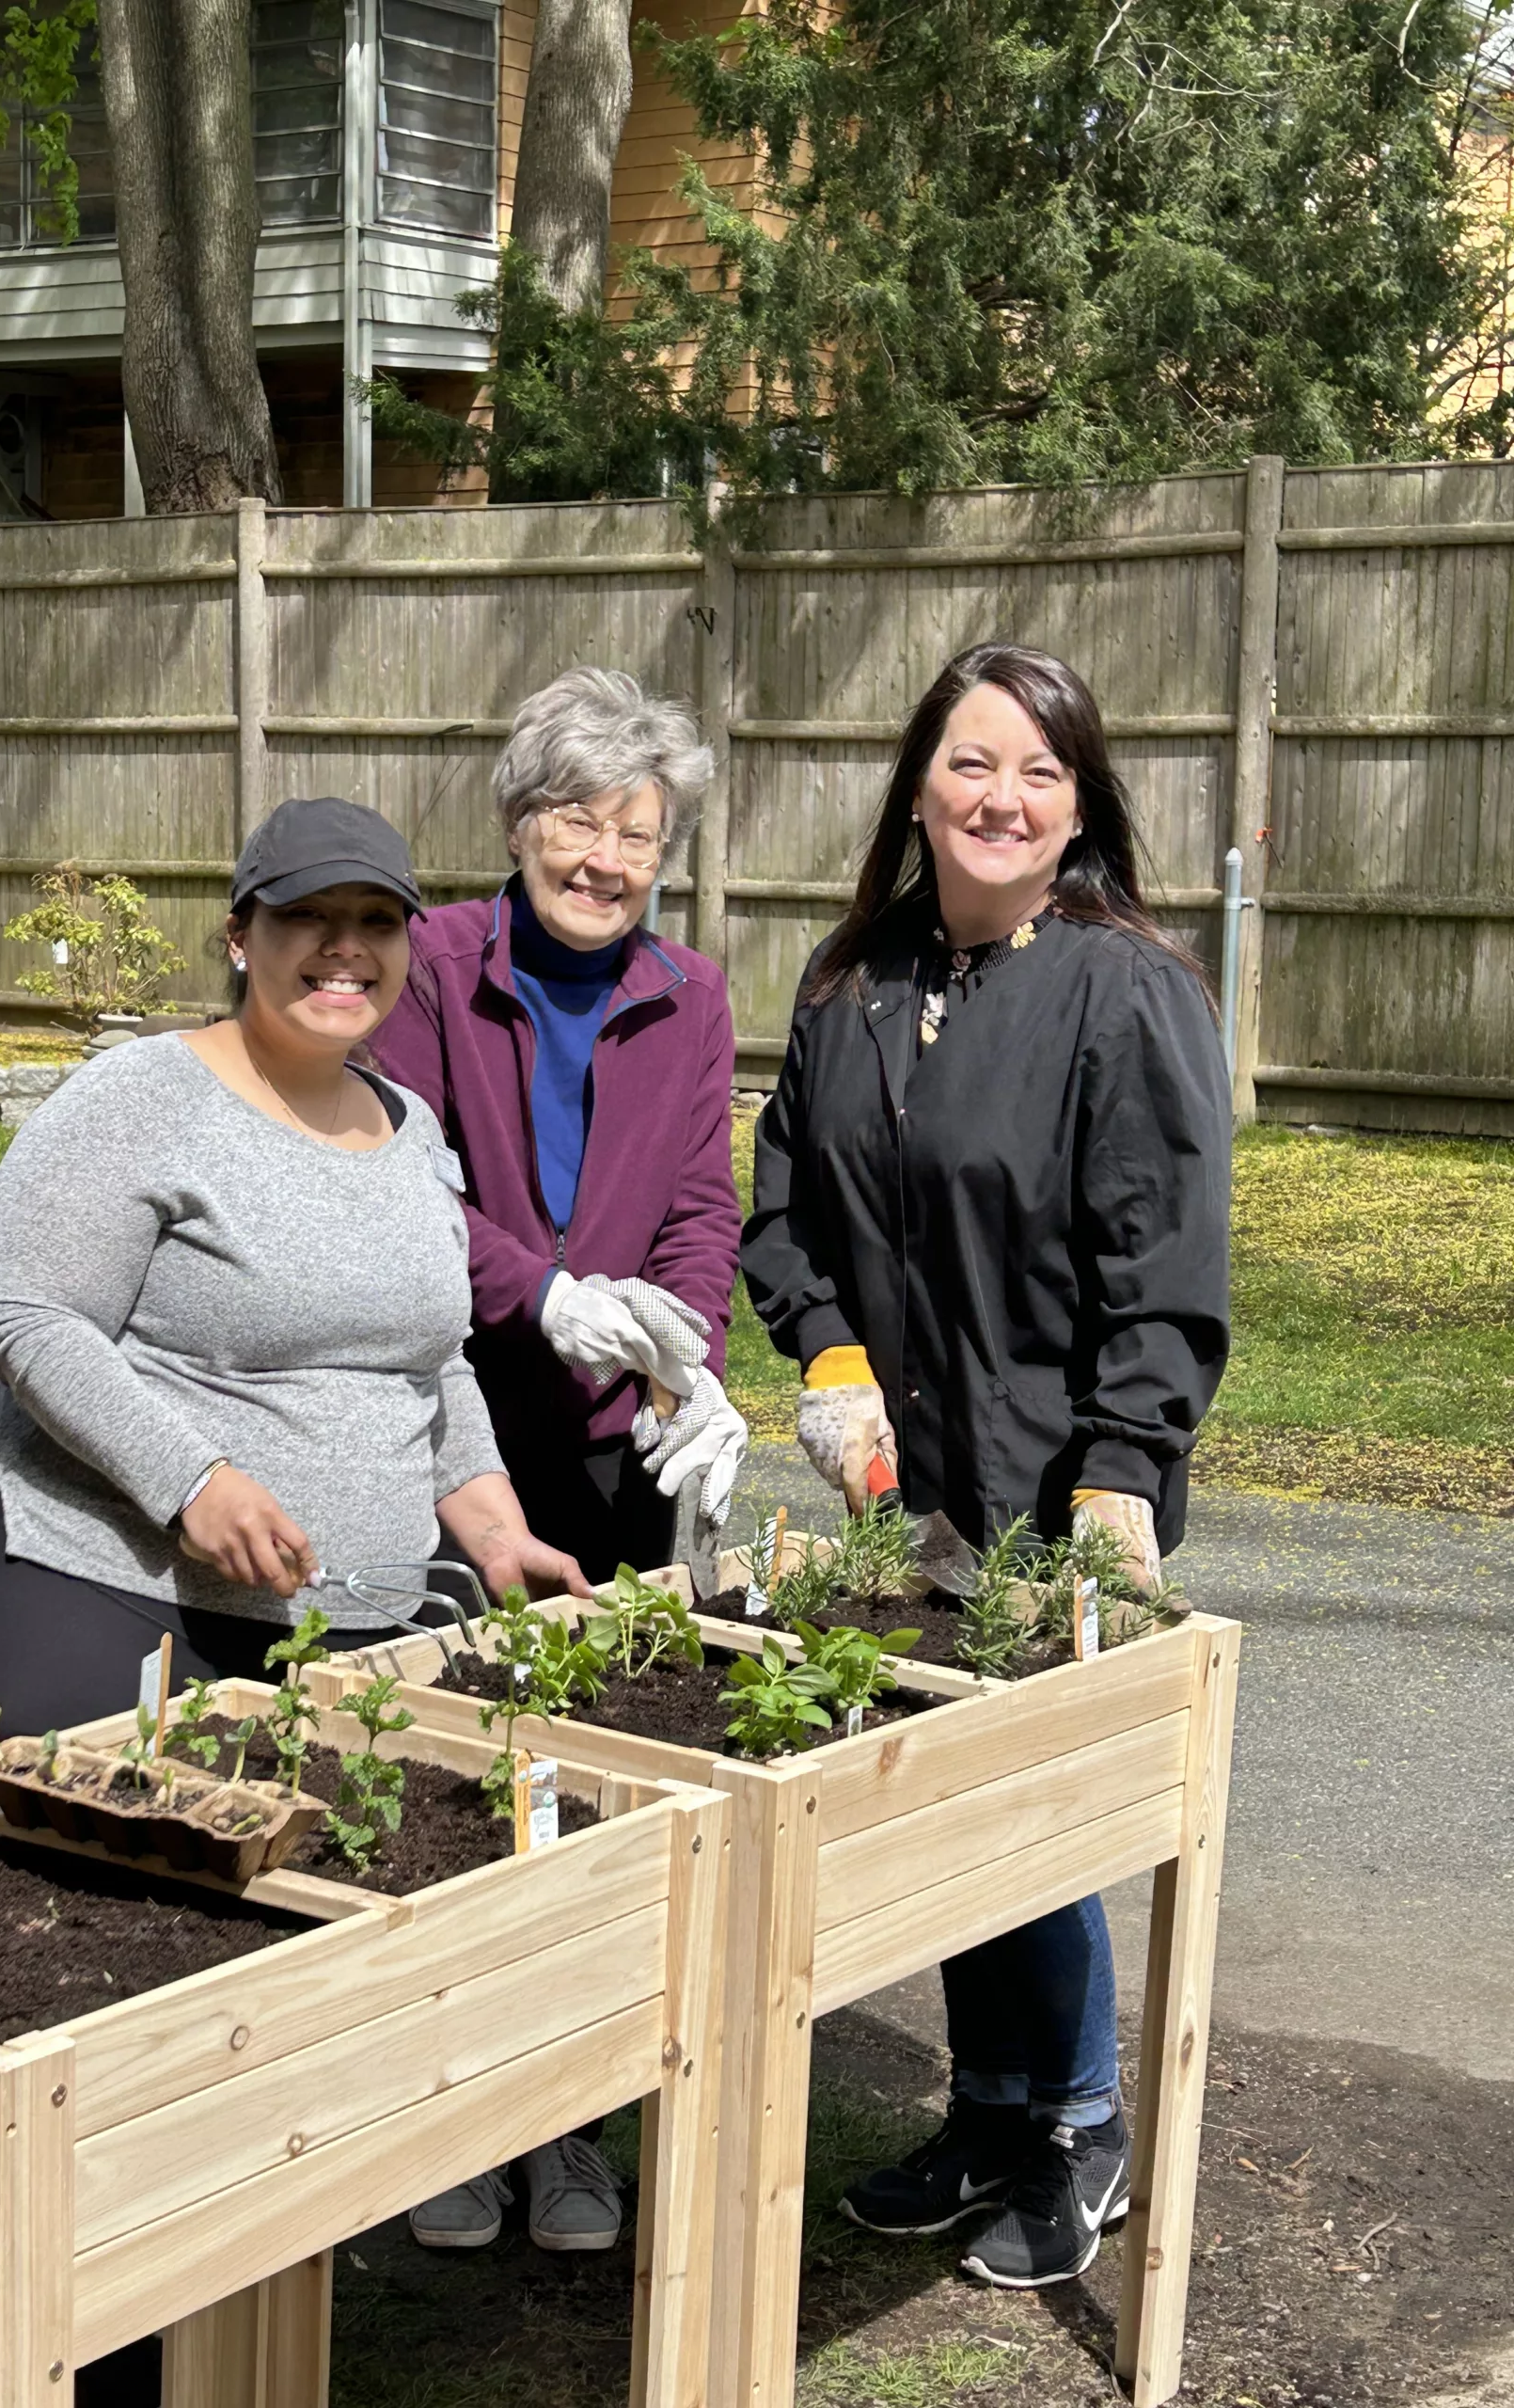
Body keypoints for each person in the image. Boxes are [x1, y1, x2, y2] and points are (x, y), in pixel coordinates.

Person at [0, 797, 589, 2400]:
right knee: (90, 1979)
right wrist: (192, 1479)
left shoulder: (411, 1129)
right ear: (242, 935)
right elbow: (23, 1314)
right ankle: (66, 2355)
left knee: (240, 1997)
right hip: (72, 1576)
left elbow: (430, 1364)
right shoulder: (143, 1098)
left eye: (375, 924)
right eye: (306, 920)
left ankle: (189, 2338)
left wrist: (487, 1522)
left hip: (297, 1624)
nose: (342, 953)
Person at [742, 642, 1230, 2289]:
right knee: (940, 1802)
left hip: (1065, 1489)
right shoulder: (855, 984)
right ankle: (992, 2105)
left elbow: (1165, 1267)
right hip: (913, 1497)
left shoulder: (1122, 988)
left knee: (1035, 1815)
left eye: (1039, 771)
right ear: (920, 783)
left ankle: (1080, 2118)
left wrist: (1122, 1466)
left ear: (1078, 802)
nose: (1000, 798)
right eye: (971, 763)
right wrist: (825, 1353)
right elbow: (786, 1211)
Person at [372, 667, 746, 2257]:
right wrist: (544, 1293)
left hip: (610, 1461)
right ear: (520, 823)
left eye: (636, 836)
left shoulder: (694, 992)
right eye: (578, 823)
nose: (604, 860)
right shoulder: (436, 970)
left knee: (597, 1787)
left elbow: (703, 1208)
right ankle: (446, 2126)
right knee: (443, 1781)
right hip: (449, 1433)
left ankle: (576, 2129)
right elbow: (385, 1181)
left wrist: (689, 1361)